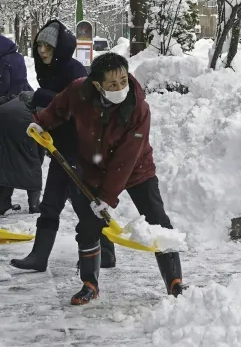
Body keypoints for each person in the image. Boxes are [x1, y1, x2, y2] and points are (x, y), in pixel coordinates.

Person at [28, 52, 183, 305]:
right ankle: (89, 283)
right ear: (97, 84)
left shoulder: (138, 107)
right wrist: (41, 122)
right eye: (112, 84)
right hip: (94, 167)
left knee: (157, 219)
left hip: (136, 168)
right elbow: (58, 107)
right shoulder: (79, 91)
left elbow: (127, 156)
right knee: (89, 224)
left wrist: (107, 198)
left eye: (123, 80)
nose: (120, 87)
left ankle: (175, 281)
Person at [10, 20, 117, 272]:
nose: (43, 51)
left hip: (80, 149)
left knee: (84, 204)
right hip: (60, 147)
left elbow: (79, 105)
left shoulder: (74, 69)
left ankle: (107, 252)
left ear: (59, 48)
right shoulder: (48, 70)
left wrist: (39, 97)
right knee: (51, 204)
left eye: (48, 46)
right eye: (39, 46)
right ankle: (39, 257)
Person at [0, 34, 41, 214]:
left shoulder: (3, 61)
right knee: (31, 156)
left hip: (9, 106)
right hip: (25, 101)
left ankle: (3, 204)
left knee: (5, 158)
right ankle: (33, 204)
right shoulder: (16, 55)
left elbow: (4, 84)